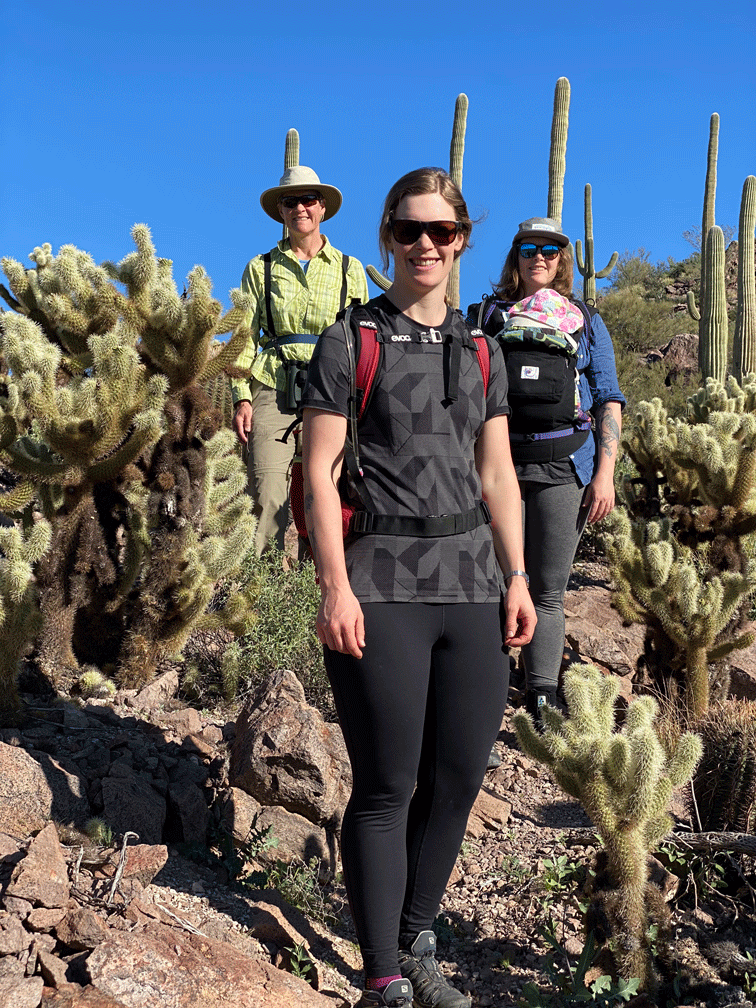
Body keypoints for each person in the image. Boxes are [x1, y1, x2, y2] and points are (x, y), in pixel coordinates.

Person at [301, 168, 536, 1008]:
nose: (426, 245)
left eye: (441, 231)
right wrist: (334, 585)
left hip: (473, 581)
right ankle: (384, 976)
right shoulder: (351, 340)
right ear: (387, 238)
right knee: (389, 782)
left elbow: (498, 473)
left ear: (463, 239)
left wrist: (519, 577)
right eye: (410, 231)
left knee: (461, 773)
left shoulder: (483, 349)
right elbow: (318, 473)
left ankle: (417, 935)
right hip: (381, 581)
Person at [468, 217, 625, 725]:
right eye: (529, 248)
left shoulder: (585, 318)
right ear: (515, 256)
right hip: (499, 467)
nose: (540, 256)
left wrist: (606, 471)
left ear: (563, 260)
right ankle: (484, 697)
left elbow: (608, 398)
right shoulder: (488, 315)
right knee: (493, 582)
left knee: (549, 589)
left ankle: (541, 697)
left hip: (566, 465)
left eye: (552, 249)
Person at [231, 165, 368, 555]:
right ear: (282, 211)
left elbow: (358, 340)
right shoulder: (261, 268)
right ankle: (260, 596)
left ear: (322, 207)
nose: (300, 208)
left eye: (309, 199)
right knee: (267, 494)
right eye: (291, 201)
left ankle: (316, 594)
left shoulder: (349, 269)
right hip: (273, 384)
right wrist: (241, 396)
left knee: (323, 497)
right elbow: (243, 335)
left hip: (329, 391)